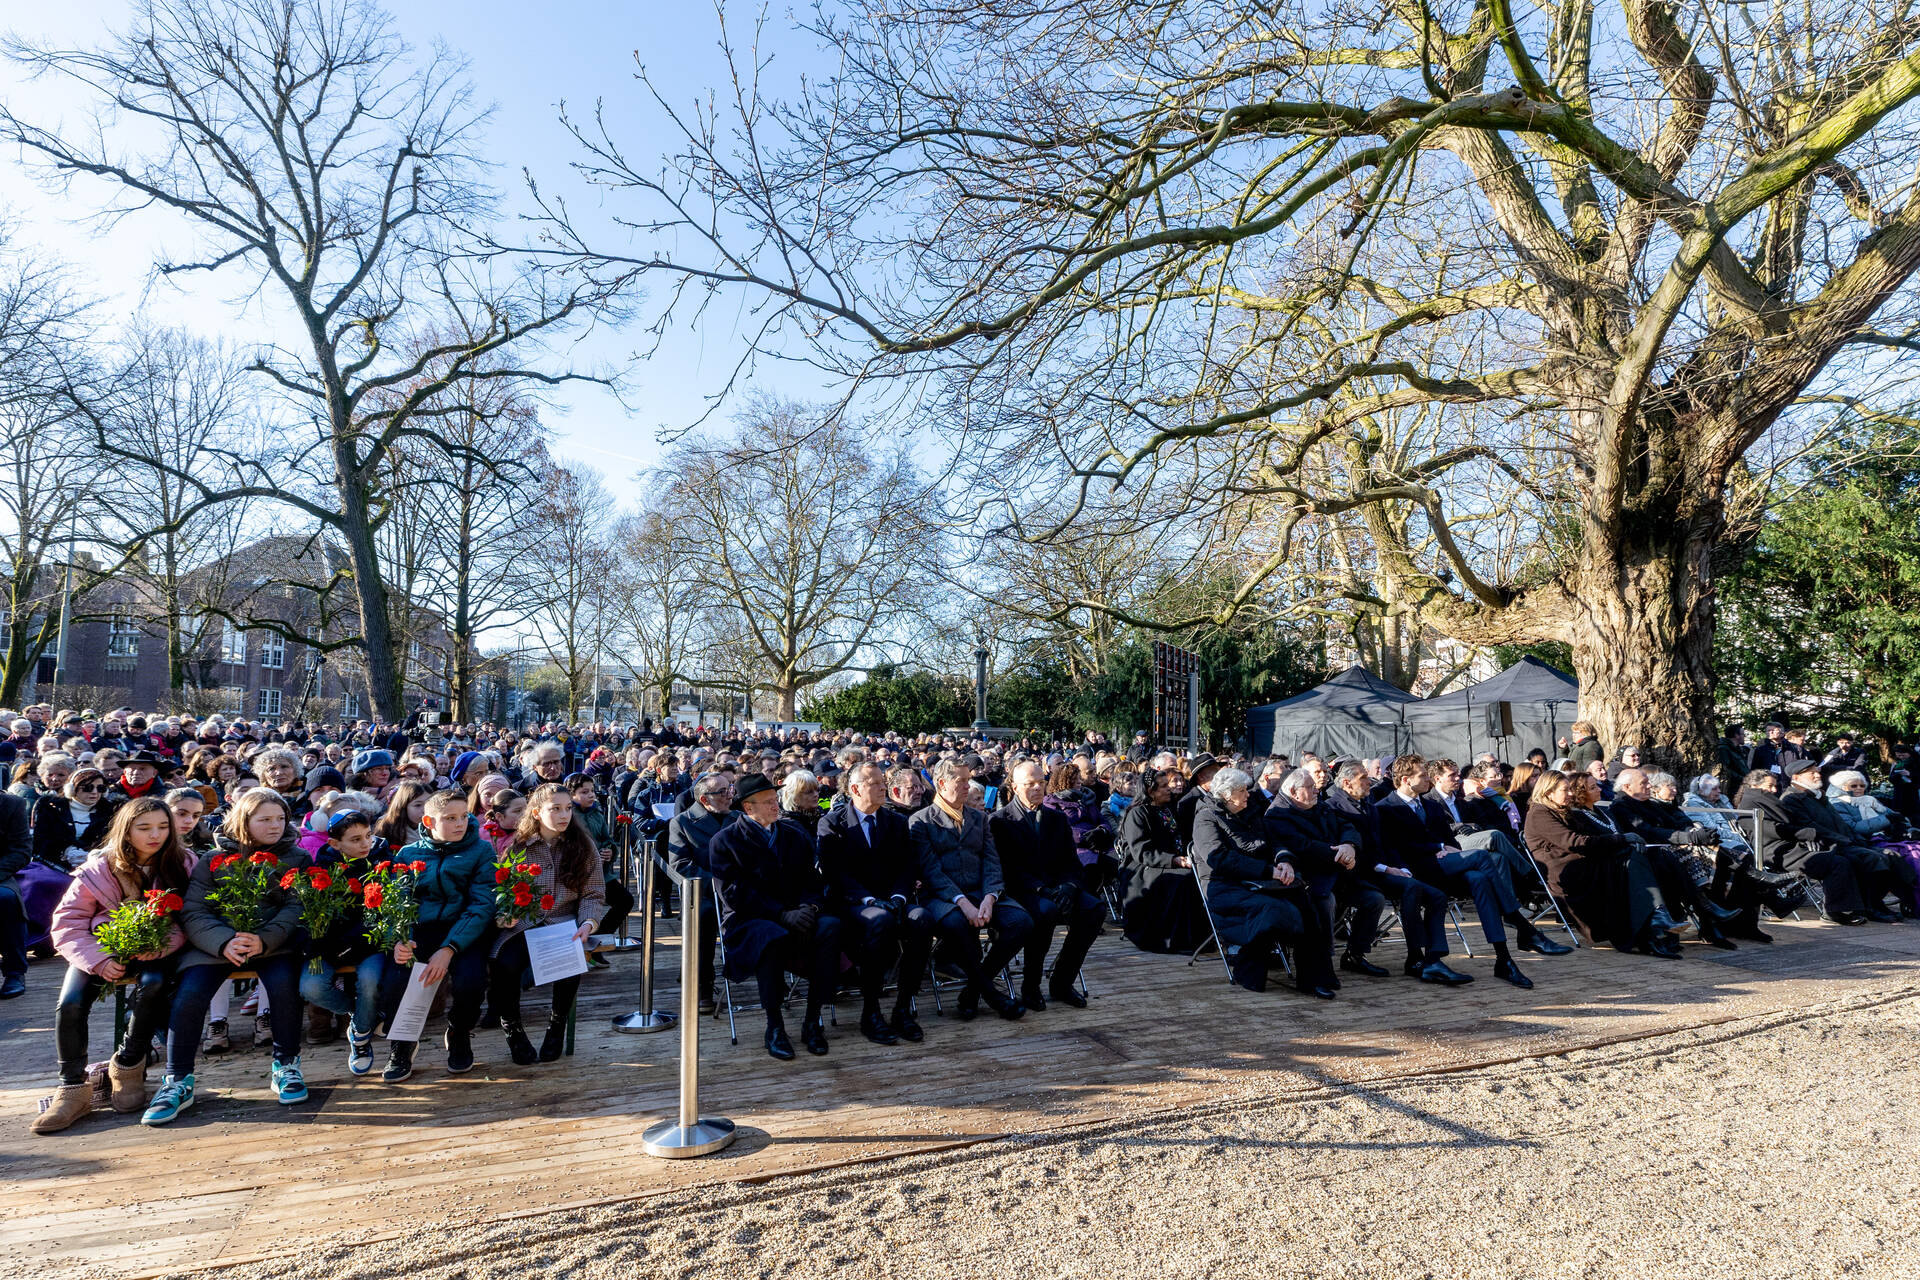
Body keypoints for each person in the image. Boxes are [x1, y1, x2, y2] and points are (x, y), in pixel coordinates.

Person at [145, 788, 310, 1126]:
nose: (275, 825)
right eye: (264, 819)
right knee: (190, 994)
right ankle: (178, 1080)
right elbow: (195, 910)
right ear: (243, 821)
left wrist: (264, 940)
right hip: (220, 944)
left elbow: (297, 907)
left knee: (283, 985)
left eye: (280, 818)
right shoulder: (212, 860)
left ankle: (286, 1065)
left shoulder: (297, 858)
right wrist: (224, 942)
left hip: (272, 943)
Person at [34, 798, 195, 1133]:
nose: (156, 836)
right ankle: (72, 1087)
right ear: (126, 829)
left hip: (157, 947)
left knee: (153, 984)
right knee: (71, 1002)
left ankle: (128, 1065)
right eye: (145, 828)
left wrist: (161, 944)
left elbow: (189, 919)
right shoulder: (99, 868)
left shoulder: (182, 863)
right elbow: (68, 923)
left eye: (163, 827)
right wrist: (99, 959)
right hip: (101, 945)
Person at [1377, 755, 1563, 988]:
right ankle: (1520, 925)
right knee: (1482, 856)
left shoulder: (1431, 806)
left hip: (1444, 866)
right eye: (1423, 776)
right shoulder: (1385, 808)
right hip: (1415, 870)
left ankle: (1504, 959)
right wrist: (1437, 847)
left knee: (1479, 879)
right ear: (1405, 780)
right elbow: (1398, 846)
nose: (1427, 780)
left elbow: (1447, 840)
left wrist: (1446, 848)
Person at [709, 772, 844, 1059]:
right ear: (748, 808)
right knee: (770, 935)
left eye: (775, 800)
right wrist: (781, 914)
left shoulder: (794, 835)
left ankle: (812, 1021)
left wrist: (810, 907)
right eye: (768, 802)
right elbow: (734, 894)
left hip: (798, 914)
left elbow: (812, 880)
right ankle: (775, 1026)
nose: (776, 806)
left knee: (830, 926)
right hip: (749, 920)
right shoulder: (725, 841)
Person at [376, 789, 498, 1082]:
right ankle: (402, 1044)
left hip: (464, 930)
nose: (459, 824)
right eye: (449, 818)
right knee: (396, 980)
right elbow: (397, 903)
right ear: (429, 821)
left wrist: (449, 949)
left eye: (463, 817)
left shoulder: (481, 851)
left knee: (471, 982)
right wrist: (400, 939)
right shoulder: (408, 854)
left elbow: (481, 904)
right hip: (420, 929)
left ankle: (459, 1032)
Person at [1189, 767, 1332, 997]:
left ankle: (1314, 978)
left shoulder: (1251, 812)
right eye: (1242, 790)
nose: (1248, 794)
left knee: (1305, 903)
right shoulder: (1206, 818)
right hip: (1225, 886)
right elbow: (1220, 859)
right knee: (1273, 910)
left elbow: (1275, 842)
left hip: (1262, 881)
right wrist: (1268, 870)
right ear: (1227, 794)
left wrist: (1284, 860)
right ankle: (1249, 969)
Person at [908, 757, 1032, 1020]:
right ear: (941, 784)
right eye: (961, 780)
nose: (968, 785)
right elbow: (931, 871)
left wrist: (989, 898)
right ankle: (994, 995)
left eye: (968, 779)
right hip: (943, 897)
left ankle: (973, 991)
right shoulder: (921, 821)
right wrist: (963, 903)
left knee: (1021, 922)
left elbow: (991, 861)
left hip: (981, 891)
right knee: (957, 925)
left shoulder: (979, 818)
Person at [817, 761, 932, 1044]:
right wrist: (869, 899)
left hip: (892, 899)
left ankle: (902, 1008)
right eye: (875, 783)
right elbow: (836, 873)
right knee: (878, 921)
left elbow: (908, 866)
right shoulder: (832, 822)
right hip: (853, 902)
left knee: (922, 919)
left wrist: (898, 896)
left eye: (883, 782)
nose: (883, 787)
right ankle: (871, 1011)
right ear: (855, 789)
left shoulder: (894, 821)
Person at [491, 783, 606, 1065]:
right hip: (524, 923)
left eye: (568, 808)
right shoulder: (518, 845)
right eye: (555, 809)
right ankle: (513, 1029)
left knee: (570, 958)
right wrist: (505, 912)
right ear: (537, 812)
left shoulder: (583, 845)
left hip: (563, 921)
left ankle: (557, 1026)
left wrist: (588, 923)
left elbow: (594, 893)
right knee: (504, 962)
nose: (563, 815)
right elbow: (501, 888)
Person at [1323, 761, 1467, 984]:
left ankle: (1434, 956)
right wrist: (1385, 868)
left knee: (1437, 896)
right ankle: (1414, 957)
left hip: (1383, 870)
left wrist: (1402, 868)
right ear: (1345, 783)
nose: (1369, 781)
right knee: (1411, 888)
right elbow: (1352, 849)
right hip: (1357, 874)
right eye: (1362, 777)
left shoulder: (1369, 806)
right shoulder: (1333, 807)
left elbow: (1387, 845)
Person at [1525, 770, 1684, 958]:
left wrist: (1622, 841)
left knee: (1653, 856)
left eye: (1570, 789)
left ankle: (1658, 925)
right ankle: (1655, 925)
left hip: (1586, 862)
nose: (1570, 794)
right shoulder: (1539, 813)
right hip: (1569, 873)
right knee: (1630, 858)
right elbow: (1574, 842)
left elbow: (1589, 840)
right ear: (1548, 792)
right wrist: (1620, 839)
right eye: (1565, 790)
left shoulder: (1560, 809)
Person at [990, 761, 1102, 1012]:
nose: (1038, 788)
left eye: (1041, 783)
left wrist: (1070, 886)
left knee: (1094, 909)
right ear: (1015, 787)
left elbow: (1071, 862)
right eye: (1030, 784)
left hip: (1058, 887)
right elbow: (1008, 869)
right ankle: (1031, 985)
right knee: (1046, 910)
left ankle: (1062, 981)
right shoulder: (1000, 820)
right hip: (1024, 890)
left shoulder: (1056, 818)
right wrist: (1041, 889)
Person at [1265, 767, 1388, 981]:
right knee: (1325, 903)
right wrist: (1340, 855)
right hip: (1307, 880)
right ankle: (1324, 961)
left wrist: (1349, 846)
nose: (1316, 791)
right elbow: (1303, 847)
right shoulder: (1277, 814)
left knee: (1374, 899)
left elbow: (1346, 825)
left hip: (1338, 875)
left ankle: (1355, 955)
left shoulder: (1317, 805)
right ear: (1294, 791)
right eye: (1310, 787)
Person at [1607, 769, 1745, 948]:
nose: (1649, 785)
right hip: (1650, 853)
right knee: (1694, 857)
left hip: (1668, 849)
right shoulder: (1621, 806)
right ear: (1627, 787)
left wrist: (1694, 832)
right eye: (1644, 783)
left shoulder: (1648, 803)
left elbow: (1674, 821)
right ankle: (1707, 911)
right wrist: (1688, 838)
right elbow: (1648, 832)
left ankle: (1715, 915)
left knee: (1716, 855)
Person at [297, 810, 385, 1074]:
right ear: (335, 844)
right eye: (355, 839)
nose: (365, 844)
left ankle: (360, 1035)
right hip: (330, 945)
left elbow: (383, 914)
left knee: (370, 983)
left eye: (368, 836)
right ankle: (363, 1016)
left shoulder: (382, 860)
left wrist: (353, 941)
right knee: (311, 986)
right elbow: (313, 914)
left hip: (369, 943)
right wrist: (321, 941)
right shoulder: (321, 869)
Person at [1779, 759, 1913, 919]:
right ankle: (1870, 907)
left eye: (1817, 771)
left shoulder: (1818, 795)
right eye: (1812, 772)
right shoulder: (1792, 798)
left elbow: (1842, 824)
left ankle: (1903, 902)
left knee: (1893, 856)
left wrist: (1856, 839)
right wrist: (1844, 840)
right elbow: (1810, 827)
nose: (1817, 774)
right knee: (1874, 859)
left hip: (1844, 841)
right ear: (1796, 777)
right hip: (1825, 846)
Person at [1736, 769, 1871, 925]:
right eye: (1770, 786)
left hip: (1790, 847)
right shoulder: (1750, 804)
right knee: (1838, 863)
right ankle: (1834, 912)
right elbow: (1773, 830)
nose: (1774, 790)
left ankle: (1853, 907)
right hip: (1776, 852)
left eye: (1775, 786)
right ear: (1754, 785)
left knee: (1846, 858)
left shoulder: (1763, 800)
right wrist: (1808, 833)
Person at [1116, 767, 1205, 954]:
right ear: (1151, 791)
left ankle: (1196, 937)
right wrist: (1174, 860)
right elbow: (1142, 851)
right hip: (1141, 869)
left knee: (1199, 875)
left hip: (1169, 861)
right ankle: (1174, 939)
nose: (1169, 790)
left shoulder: (1168, 809)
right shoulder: (1137, 814)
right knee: (1182, 881)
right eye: (1164, 787)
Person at [666, 772, 733, 1014]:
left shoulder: (738, 817)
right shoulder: (682, 822)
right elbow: (681, 865)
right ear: (705, 799)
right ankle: (704, 984)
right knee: (704, 916)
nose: (729, 796)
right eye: (723, 792)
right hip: (704, 892)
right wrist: (718, 883)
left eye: (730, 789)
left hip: (739, 890)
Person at [34, 768, 116, 869]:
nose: (95, 792)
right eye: (88, 788)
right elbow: (40, 841)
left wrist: (97, 854)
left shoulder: (111, 811)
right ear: (72, 788)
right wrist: (65, 851)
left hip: (97, 867)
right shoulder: (51, 808)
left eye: (101, 788)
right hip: (52, 867)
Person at [1827, 770, 1905, 840]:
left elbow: (1891, 814)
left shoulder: (1869, 799)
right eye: (1854, 786)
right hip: (1862, 841)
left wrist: (1902, 822)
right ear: (1842, 787)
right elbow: (1852, 828)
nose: (1859, 788)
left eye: (1862, 786)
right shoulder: (1837, 804)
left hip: (1884, 835)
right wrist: (1887, 819)